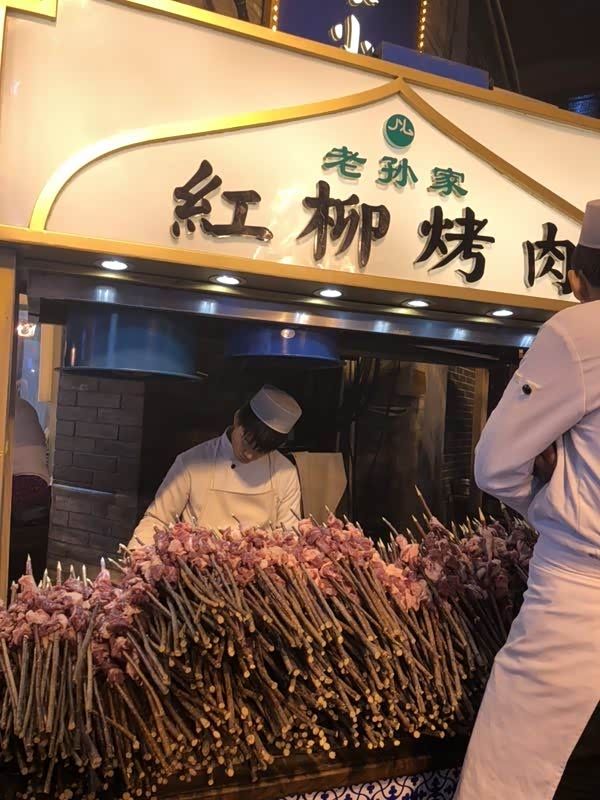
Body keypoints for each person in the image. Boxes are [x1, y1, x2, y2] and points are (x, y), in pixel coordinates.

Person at [455, 199, 600, 800]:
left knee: (513, 780)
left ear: (576, 277)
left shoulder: (579, 331)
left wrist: (550, 501)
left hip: (579, 606)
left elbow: (494, 465)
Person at [132, 385, 302, 544]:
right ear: (237, 419)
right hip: (197, 562)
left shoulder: (285, 472)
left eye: (261, 451)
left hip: (260, 563)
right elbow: (157, 520)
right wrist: (135, 555)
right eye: (246, 441)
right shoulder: (192, 462)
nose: (249, 455)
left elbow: (289, 536)